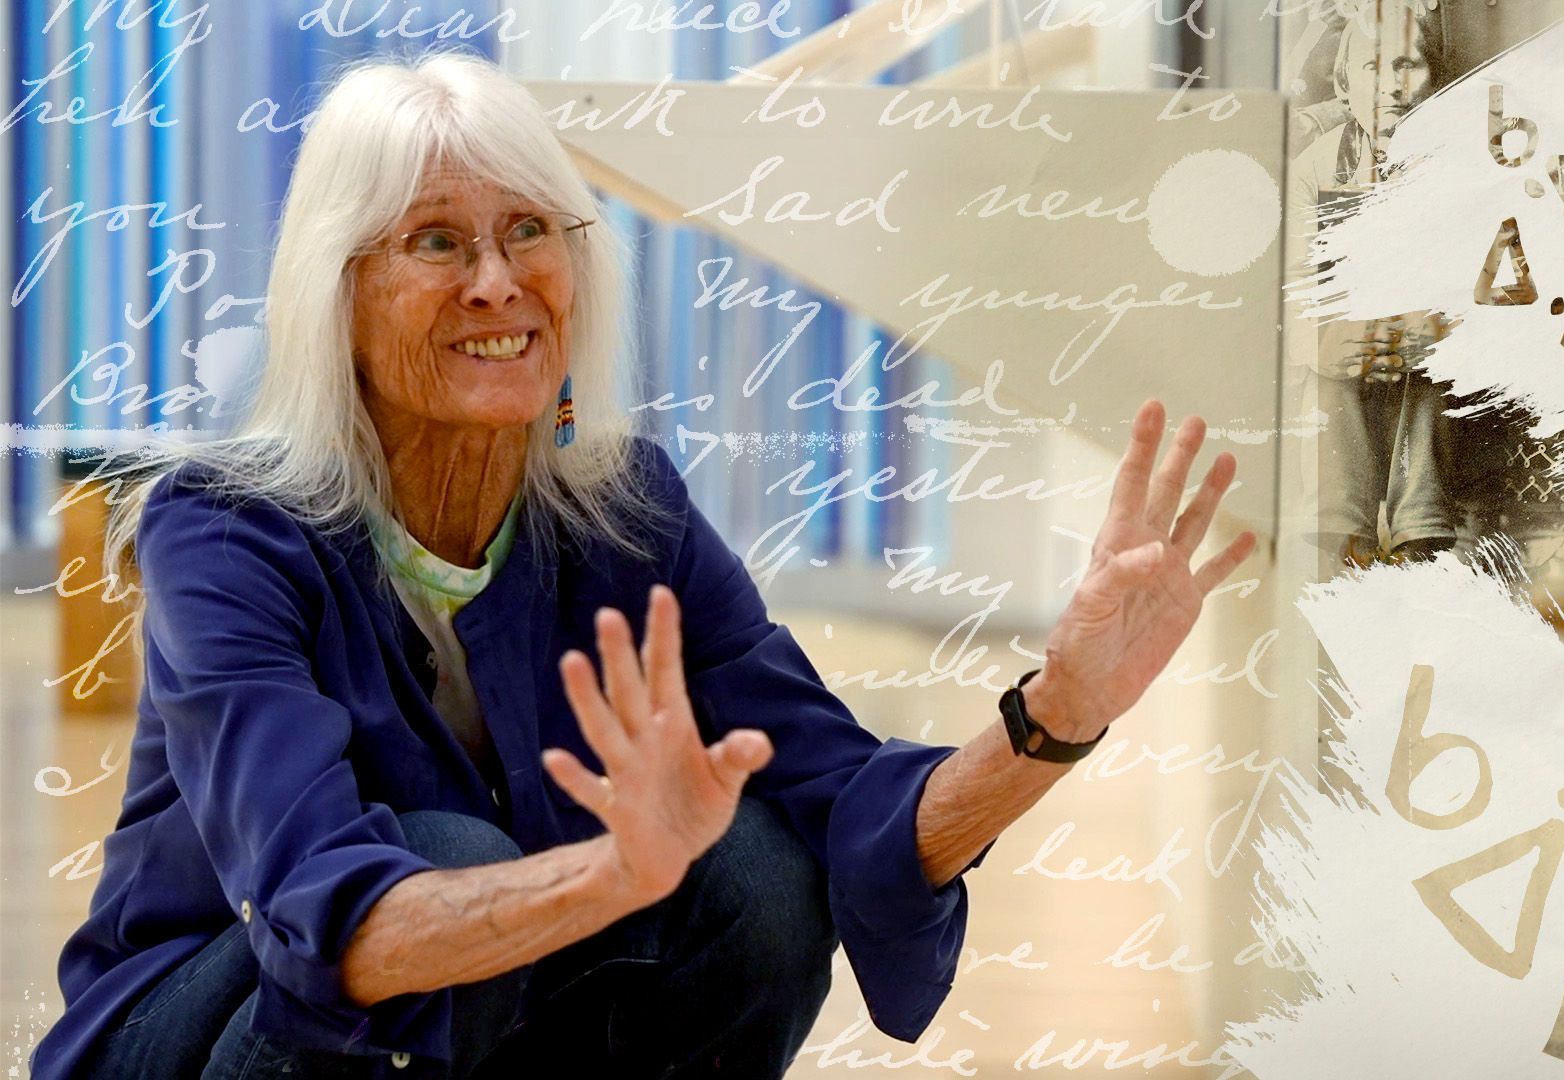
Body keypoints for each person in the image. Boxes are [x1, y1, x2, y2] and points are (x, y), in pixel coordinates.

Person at [32, 54, 1257, 1080]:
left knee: (762, 877)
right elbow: (326, 916)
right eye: (437, 242)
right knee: (451, 857)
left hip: (480, 1018)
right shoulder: (226, 529)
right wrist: (612, 873)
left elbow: (850, 803)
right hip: (203, 1034)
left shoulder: (628, 510)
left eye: (528, 232)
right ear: (340, 295)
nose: (498, 282)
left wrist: (1058, 713)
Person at [1287, 4, 1454, 566]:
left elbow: (1498, 285)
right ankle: (1341, 537)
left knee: (1434, 378)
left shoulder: (1464, 166)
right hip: (1349, 353)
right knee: (1325, 374)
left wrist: (1442, 328)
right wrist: (1322, 340)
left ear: (1436, 79)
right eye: (1372, 69)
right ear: (1344, 83)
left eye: (1409, 66)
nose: (1391, 88)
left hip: (1425, 360)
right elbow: (1288, 293)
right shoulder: (1313, 170)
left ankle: (1421, 533)